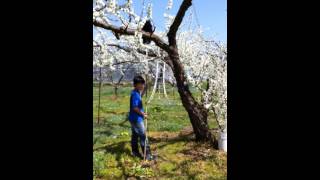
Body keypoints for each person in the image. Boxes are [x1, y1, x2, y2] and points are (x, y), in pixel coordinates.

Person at [128, 75, 153, 160]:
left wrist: (142, 112)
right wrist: (143, 114)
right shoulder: (135, 94)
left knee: (135, 135)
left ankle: (135, 152)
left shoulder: (137, 92)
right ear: (135, 84)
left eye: (143, 83)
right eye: (140, 84)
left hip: (133, 118)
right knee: (143, 135)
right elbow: (135, 107)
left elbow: (137, 104)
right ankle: (148, 155)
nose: (142, 85)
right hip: (136, 119)